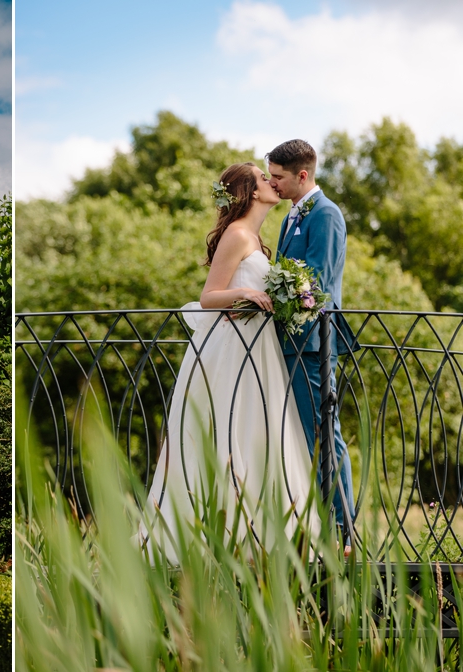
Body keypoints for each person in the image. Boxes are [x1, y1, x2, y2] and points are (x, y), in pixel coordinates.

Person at [139, 161, 320, 560]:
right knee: (229, 431)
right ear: (252, 191)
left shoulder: (255, 237)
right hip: (234, 346)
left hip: (259, 345)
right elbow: (208, 297)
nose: (272, 183)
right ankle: (218, 536)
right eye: (263, 178)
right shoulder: (237, 235)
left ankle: (264, 536)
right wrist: (245, 293)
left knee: (260, 432)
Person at [267, 139, 356, 550]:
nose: (273, 184)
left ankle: (343, 530)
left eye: (278, 177)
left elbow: (316, 285)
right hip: (286, 342)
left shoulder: (326, 215)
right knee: (301, 437)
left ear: (302, 175)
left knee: (323, 433)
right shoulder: (290, 218)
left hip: (313, 342)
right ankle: (313, 528)